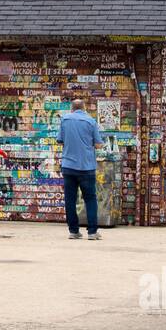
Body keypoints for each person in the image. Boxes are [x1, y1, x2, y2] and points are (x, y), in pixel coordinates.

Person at [57, 97, 106, 240]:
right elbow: (98, 144)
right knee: (90, 199)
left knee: (70, 200)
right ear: (84, 108)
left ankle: (73, 231)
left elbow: (60, 141)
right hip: (86, 167)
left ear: (72, 108)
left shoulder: (65, 120)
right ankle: (92, 232)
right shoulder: (91, 121)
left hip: (68, 166)